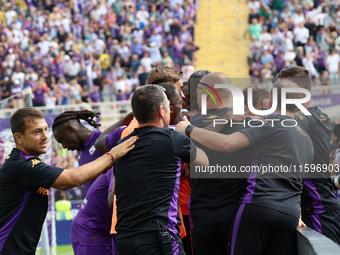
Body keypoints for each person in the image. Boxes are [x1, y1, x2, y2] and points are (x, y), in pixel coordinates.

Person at [176, 80, 314, 255]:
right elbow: (300, 183)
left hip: (258, 205)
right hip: (290, 213)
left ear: (271, 101)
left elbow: (227, 144)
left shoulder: (271, 121)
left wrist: (189, 129)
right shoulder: (306, 139)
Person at [0, 108, 136, 254]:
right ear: (18, 138)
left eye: (45, 130)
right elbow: (73, 179)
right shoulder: (23, 166)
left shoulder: (23, 163)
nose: (45, 136)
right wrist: (112, 155)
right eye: (37, 132)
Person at [113, 85, 208, 255]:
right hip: (159, 239)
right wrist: (189, 130)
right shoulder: (173, 139)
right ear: (161, 111)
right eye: (168, 106)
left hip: (125, 240)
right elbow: (205, 163)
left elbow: (115, 189)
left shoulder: (122, 145)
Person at [52, 110, 134, 255]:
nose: (64, 146)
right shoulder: (81, 154)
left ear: (70, 128)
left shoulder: (103, 141)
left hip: (108, 226)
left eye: (62, 140)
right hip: (96, 228)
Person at [277, 66, 340, 244]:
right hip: (319, 205)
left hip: (318, 208)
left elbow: (282, 127)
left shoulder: (308, 117)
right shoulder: (319, 116)